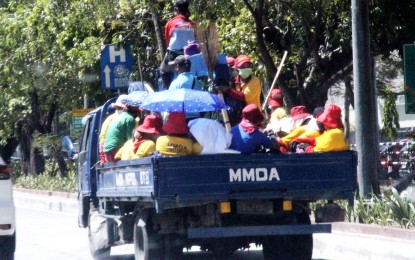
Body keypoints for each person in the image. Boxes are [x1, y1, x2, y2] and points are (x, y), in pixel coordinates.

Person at [160, 0, 196, 89]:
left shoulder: (171, 23)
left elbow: (168, 42)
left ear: (176, 9)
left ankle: (167, 90)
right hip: (191, 55)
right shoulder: (192, 24)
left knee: (163, 71)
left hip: (174, 54)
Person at [99, 95, 128, 164]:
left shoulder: (108, 119)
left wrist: (102, 158)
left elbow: (102, 141)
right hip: (116, 153)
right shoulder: (126, 118)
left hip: (106, 154)